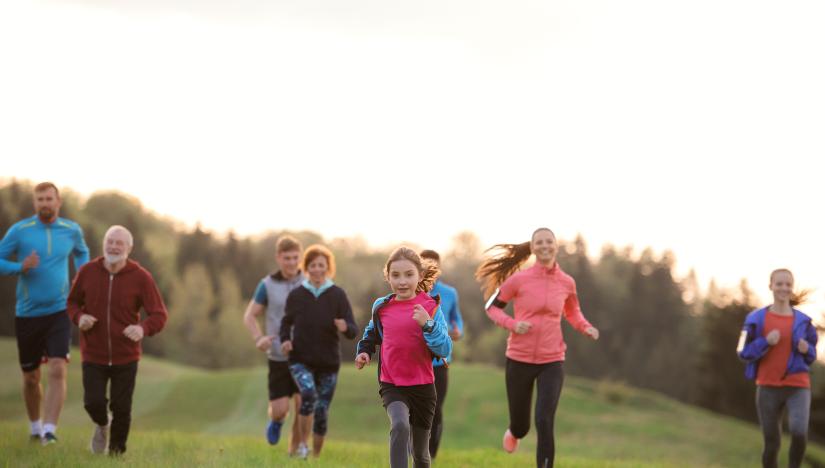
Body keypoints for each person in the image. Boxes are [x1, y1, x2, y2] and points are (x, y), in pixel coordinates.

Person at [476, 228, 598, 468]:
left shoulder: (567, 282)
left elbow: (572, 312)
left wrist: (585, 327)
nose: (544, 246)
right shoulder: (518, 280)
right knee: (522, 426)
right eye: (539, 242)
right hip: (519, 359)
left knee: (544, 419)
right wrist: (512, 324)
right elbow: (492, 308)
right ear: (532, 248)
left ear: (556, 246)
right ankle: (514, 431)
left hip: (552, 360)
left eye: (549, 241)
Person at [0, 182, 90, 445]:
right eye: (39, 199)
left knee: (58, 368)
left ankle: (50, 431)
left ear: (58, 201)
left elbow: (82, 253)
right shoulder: (20, 231)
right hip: (28, 313)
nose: (44, 204)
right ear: (34, 203)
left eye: (49, 198)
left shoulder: (72, 230)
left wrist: (82, 279)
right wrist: (20, 266)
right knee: (31, 378)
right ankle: (35, 428)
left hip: (60, 310)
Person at [66, 225, 168, 455]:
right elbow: (71, 302)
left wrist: (142, 329)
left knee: (122, 408)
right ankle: (102, 425)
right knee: (92, 402)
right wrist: (79, 317)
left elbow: (160, 315)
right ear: (104, 244)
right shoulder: (88, 272)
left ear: (129, 249)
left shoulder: (141, 277)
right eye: (109, 241)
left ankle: (115, 455)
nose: (113, 246)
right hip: (93, 352)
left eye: (119, 243)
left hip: (126, 355)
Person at [356, 247, 453, 468]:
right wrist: (364, 351)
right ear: (387, 277)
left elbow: (445, 349)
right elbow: (372, 332)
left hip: (423, 386)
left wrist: (427, 324)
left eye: (409, 274)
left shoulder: (431, 307)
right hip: (392, 383)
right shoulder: (382, 307)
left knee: (420, 454)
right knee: (400, 425)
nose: (402, 281)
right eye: (396, 275)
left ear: (419, 275)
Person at [279, 244, 358, 459]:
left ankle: (315, 458)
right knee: (308, 395)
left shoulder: (337, 295)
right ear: (306, 267)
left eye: (321, 265)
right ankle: (303, 446)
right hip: (300, 359)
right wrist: (285, 340)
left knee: (322, 410)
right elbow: (285, 323)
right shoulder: (297, 295)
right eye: (312, 265)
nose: (316, 269)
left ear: (328, 267)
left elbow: (353, 329)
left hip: (328, 363)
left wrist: (345, 327)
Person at [737, 269, 818, 468]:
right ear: (771, 286)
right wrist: (765, 341)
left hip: (798, 386)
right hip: (767, 387)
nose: (784, 288)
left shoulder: (804, 322)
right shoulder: (755, 319)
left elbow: (812, 354)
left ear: (792, 288)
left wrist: (807, 348)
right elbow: (742, 351)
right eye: (779, 284)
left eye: (788, 284)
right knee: (772, 444)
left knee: (799, 433)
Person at [242, 235, 304, 453]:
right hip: (277, 356)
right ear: (278, 258)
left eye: (295, 257)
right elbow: (249, 315)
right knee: (280, 409)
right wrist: (259, 338)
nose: (291, 262)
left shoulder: (309, 281)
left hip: (304, 356)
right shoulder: (266, 285)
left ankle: (295, 451)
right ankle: (277, 421)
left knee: (302, 406)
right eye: (287, 258)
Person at [419, 249, 463, 459]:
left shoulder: (450, 293)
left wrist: (458, 330)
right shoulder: (412, 291)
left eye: (433, 264)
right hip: (416, 360)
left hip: (440, 362)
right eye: (424, 263)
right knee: (415, 408)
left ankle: (431, 455)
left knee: (435, 409)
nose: (430, 267)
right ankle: (415, 448)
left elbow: (457, 318)